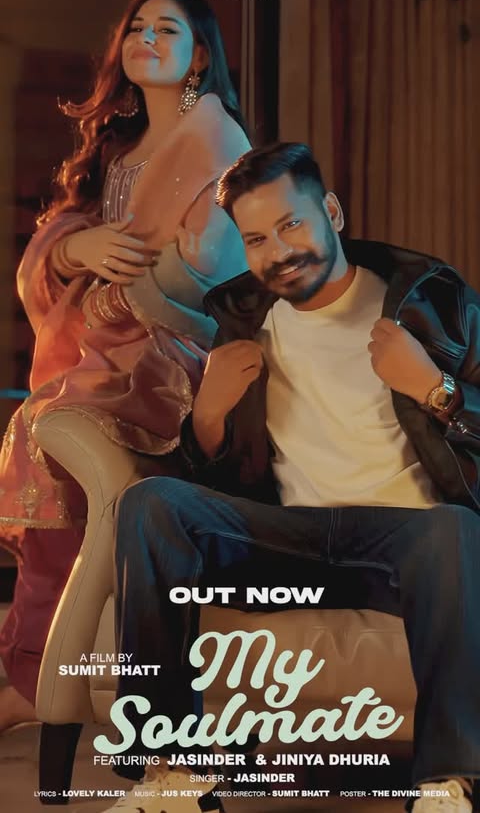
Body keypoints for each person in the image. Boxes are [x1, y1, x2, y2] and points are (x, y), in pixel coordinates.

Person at [107, 142, 480, 813]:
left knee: (453, 529)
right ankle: (172, 774)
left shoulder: (433, 300)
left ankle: (447, 784)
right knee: (151, 503)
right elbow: (218, 475)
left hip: (408, 545)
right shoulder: (241, 317)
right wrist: (209, 416)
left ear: (331, 212)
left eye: (291, 224)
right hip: (289, 539)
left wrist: (437, 390)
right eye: (256, 239)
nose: (278, 251)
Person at [0, 0, 250, 733]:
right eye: (137, 26)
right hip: (93, 354)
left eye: (167, 28)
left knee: (58, 422)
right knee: (48, 433)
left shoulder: (219, 144)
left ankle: (41, 686)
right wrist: (75, 247)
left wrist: (120, 294)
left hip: (172, 356)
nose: (146, 37)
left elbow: (214, 274)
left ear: (199, 56)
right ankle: (34, 676)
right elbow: (53, 250)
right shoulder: (113, 151)